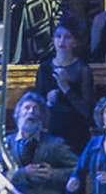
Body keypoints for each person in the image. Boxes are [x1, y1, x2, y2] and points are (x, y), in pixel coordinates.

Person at [34, 19, 96, 154]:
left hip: (76, 132)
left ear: (75, 42)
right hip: (51, 130)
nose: (62, 41)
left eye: (67, 37)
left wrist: (66, 88)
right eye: (58, 36)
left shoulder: (83, 69)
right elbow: (37, 104)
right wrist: (48, 102)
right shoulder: (44, 68)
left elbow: (87, 110)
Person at [8, 92, 77, 194]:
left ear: (42, 116)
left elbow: (79, 170)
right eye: (27, 108)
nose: (31, 111)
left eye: (35, 109)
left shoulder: (55, 144)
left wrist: (53, 174)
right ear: (18, 113)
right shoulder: (7, 143)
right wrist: (23, 173)